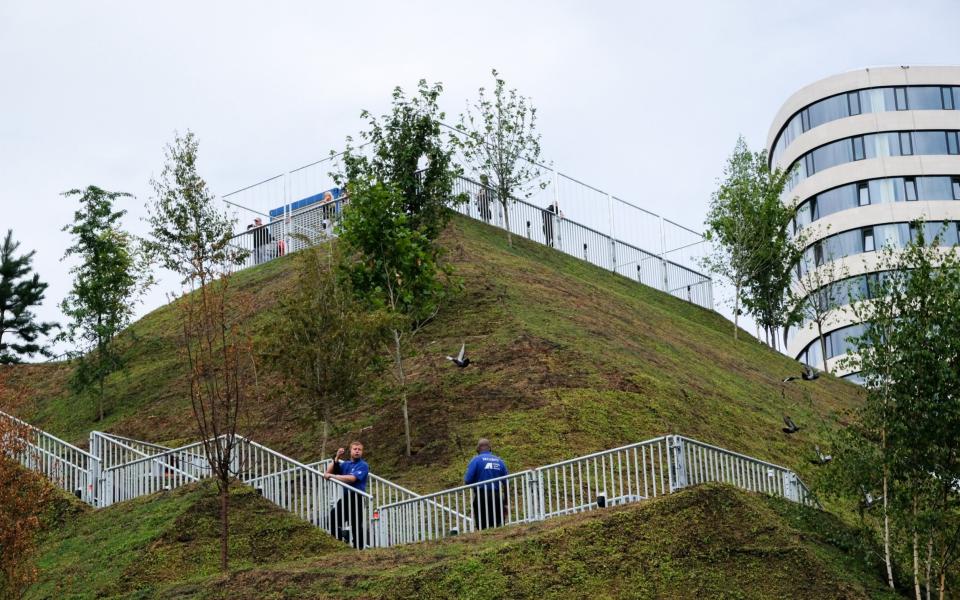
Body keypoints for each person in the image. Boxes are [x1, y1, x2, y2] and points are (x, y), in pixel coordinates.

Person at [324, 441, 369, 548]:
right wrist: (337, 457)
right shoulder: (346, 464)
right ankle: (341, 540)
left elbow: (352, 479)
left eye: (359, 449)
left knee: (356, 525)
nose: (357, 451)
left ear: (362, 452)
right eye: (355, 449)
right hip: (346, 497)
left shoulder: (363, 465)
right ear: (351, 451)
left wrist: (332, 476)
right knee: (332, 519)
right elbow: (328, 471)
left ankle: (359, 548)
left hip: (357, 497)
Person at [463, 438, 509, 530]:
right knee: (498, 524)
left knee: (483, 524)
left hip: (481, 495)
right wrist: (505, 501)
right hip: (496, 496)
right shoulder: (499, 461)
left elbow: (468, 480)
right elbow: (506, 482)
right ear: (490, 448)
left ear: (478, 449)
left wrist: (476, 482)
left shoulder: (476, 460)